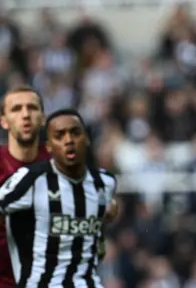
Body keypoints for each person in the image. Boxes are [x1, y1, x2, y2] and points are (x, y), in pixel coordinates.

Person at [0, 108, 118, 288]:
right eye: (59, 135)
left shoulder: (104, 183)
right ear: (48, 146)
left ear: (86, 138)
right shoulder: (29, 179)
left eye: (75, 133)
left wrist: (108, 212)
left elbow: (102, 220)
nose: (68, 140)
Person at [0, 86, 50, 288]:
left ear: (43, 117)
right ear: (3, 121)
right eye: (16, 109)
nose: (25, 115)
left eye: (32, 107)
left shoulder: (60, 165)